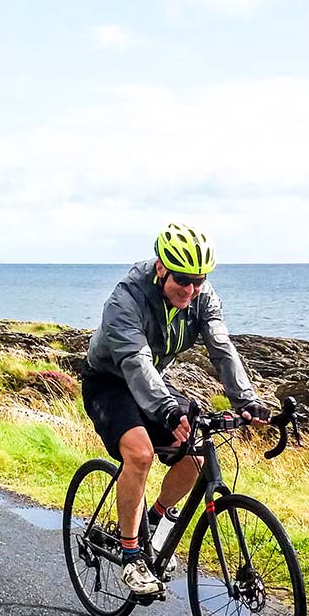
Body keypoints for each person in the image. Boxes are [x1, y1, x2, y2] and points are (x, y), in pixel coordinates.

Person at [81, 223, 271, 596]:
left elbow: (221, 347)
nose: (191, 289)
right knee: (140, 453)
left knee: (197, 455)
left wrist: (246, 399)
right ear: (161, 269)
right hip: (109, 381)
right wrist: (167, 408)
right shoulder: (127, 299)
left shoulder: (202, 296)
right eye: (183, 279)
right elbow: (134, 362)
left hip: (153, 382)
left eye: (198, 280)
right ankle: (131, 555)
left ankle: (152, 522)